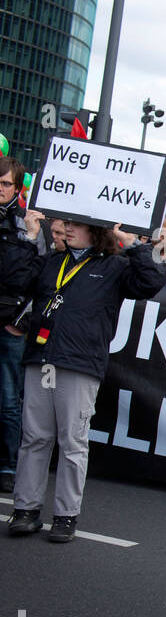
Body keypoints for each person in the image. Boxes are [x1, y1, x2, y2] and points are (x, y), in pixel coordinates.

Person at [1, 220, 165, 541]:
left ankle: (65, 515)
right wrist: (29, 237)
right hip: (41, 357)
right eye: (67, 224)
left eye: (77, 225)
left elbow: (150, 283)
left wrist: (134, 245)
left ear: (97, 231)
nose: (67, 229)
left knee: (72, 442)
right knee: (34, 437)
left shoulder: (115, 266)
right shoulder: (52, 261)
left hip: (79, 363)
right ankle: (26, 508)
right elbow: (15, 279)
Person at [0, 157, 38, 495]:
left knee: (9, 398)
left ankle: (8, 465)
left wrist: (19, 321)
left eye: (5, 184)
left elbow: (34, 280)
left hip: (10, 323)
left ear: (18, 187)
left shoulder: (27, 224)